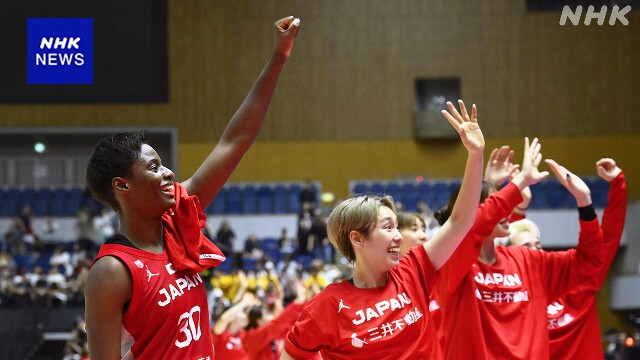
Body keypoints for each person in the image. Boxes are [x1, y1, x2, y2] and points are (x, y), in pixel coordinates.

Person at [84, 15, 300, 360]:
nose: (168, 173)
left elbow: (234, 142)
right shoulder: (111, 271)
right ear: (122, 185)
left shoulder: (176, 221)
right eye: (154, 167)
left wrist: (278, 59)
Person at [282, 100, 486, 359]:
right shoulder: (327, 306)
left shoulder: (414, 270)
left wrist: (476, 154)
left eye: (397, 227)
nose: (399, 236)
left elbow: (461, 221)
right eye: (388, 227)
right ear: (357, 238)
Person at [433, 144, 605, 359]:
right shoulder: (451, 263)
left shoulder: (526, 259)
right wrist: (518, 181)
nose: (506, 208)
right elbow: (472, 227)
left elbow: (590, 261)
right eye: (496, 202)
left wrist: (585, 202)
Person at [509, 158, 627, 360]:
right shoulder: (511, 295)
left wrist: (618, 184)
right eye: (526, 249)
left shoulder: (582, 282)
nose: (534, 252)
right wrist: (517, 209)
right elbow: (503, 243)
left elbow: (607, 239)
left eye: (537, 245)